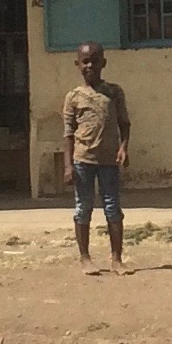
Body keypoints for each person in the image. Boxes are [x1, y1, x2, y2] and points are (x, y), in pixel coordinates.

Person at [62, 41, 132, 275]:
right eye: (85, 62)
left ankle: (117, 259)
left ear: (104, 63)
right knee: (83, 208)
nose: (90, 66)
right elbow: (68, 133)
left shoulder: (114, 92)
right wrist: (68, 166)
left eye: (94, 61)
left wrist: (124, 148)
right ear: (77, 64)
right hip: (83, 161)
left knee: (112, 208)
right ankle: (85, 258)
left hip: (109, 161)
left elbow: (124, 123)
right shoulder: (74, 97)